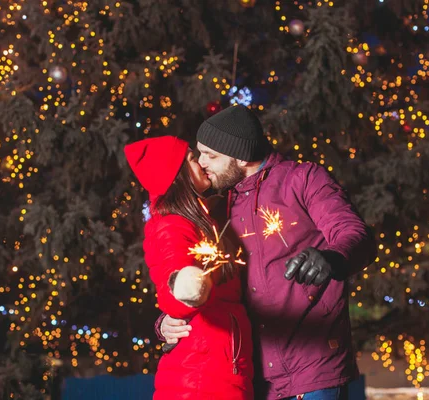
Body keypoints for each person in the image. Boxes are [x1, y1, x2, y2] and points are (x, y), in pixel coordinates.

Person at [158, 105, 377, 400]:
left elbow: (354, 234)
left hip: (312, 371)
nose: (202, 163)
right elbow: (196, 280)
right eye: (200, 153)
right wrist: (166, 321)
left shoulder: (302, 180)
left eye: (211, 155)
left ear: (239, 155)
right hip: (254, 378)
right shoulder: (219, 210)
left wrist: (332, 258)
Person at [124, 135, 254, 400]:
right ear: (179, 175)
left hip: (213, 370)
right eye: (194, 160)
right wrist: (187, 286)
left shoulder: (201, 218)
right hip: (201, 377)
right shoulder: (174, 225)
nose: (203, 164)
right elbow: (175, 285)